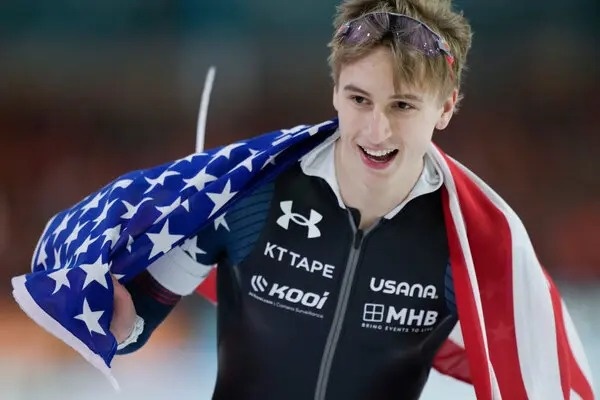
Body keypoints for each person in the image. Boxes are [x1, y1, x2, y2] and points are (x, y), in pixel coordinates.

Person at [11, 0, 594, 399]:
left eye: (403, 106)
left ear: (446, 109)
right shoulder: (251, 198)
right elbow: (141, 317)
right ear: (335, 92)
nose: (376, 130)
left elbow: (534, 370)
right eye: (359, 99)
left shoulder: (469, 244)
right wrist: (120, 320)